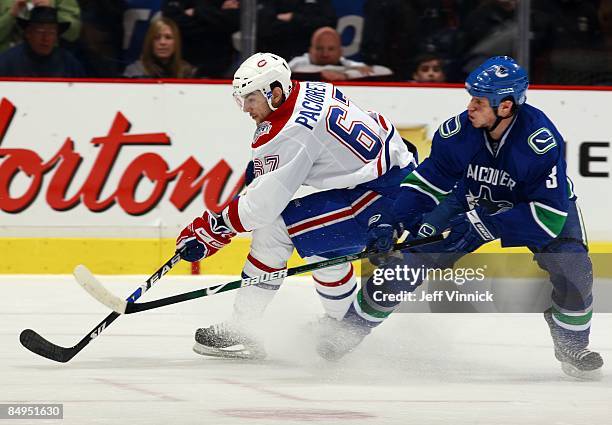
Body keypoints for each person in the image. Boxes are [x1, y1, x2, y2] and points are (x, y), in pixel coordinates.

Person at [364, 56, 603, 380]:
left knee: (573, 265)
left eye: (479, 101)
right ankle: (344, 331)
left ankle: (572, 344)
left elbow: (548, 217)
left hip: (535, 210)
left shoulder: (538, 142)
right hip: (471, 200)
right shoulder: (459, 131)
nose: (471, 107)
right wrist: (393, 221)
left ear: (505, 106)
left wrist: (484, 224)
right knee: (408, 262)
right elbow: (428, 182)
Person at [175, 52, 418, 361]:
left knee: (274, 230)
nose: (246, 108)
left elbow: (263, 207)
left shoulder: (291, 131)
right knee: (318, 237)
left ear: (274, 92)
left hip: (381, 198)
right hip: (392, 177)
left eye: (251, 99)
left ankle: (243, 330)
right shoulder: (310, 89)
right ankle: (341, 328)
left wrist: (213, 229)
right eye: (242, 100)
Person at [162, 0, 239, 78]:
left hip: (223, 67)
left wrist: (196, 12)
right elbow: (172, 22)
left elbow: (234, 19)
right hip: (183, 68)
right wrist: (215, 22)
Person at [0, 5, 84, 77]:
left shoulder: (69, 64)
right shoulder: (7, 62)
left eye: (51, 32)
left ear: (56, 36)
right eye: (40, 31)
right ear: (28, 33)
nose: (46, 38)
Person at [289, 26, 393, 82]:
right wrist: (324, 73)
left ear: (340, 52)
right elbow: (298, 71)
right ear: (311, 50)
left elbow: (384, 71)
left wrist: (346, 75)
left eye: (331, 49)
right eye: (320, 48)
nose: (325, 54)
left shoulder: (348, 65)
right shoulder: (298, 63)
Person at [123, 16, 195, 78]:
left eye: (168, 37)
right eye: (157, 38)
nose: (162, 42)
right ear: (150, 42)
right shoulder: (134, 72)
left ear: (176, 42)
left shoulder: (187, 72)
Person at [0, 0, 81, 53]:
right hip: (7, 64)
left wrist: (52, 13)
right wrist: (11, 15)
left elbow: (74, 33)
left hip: (48, 63)